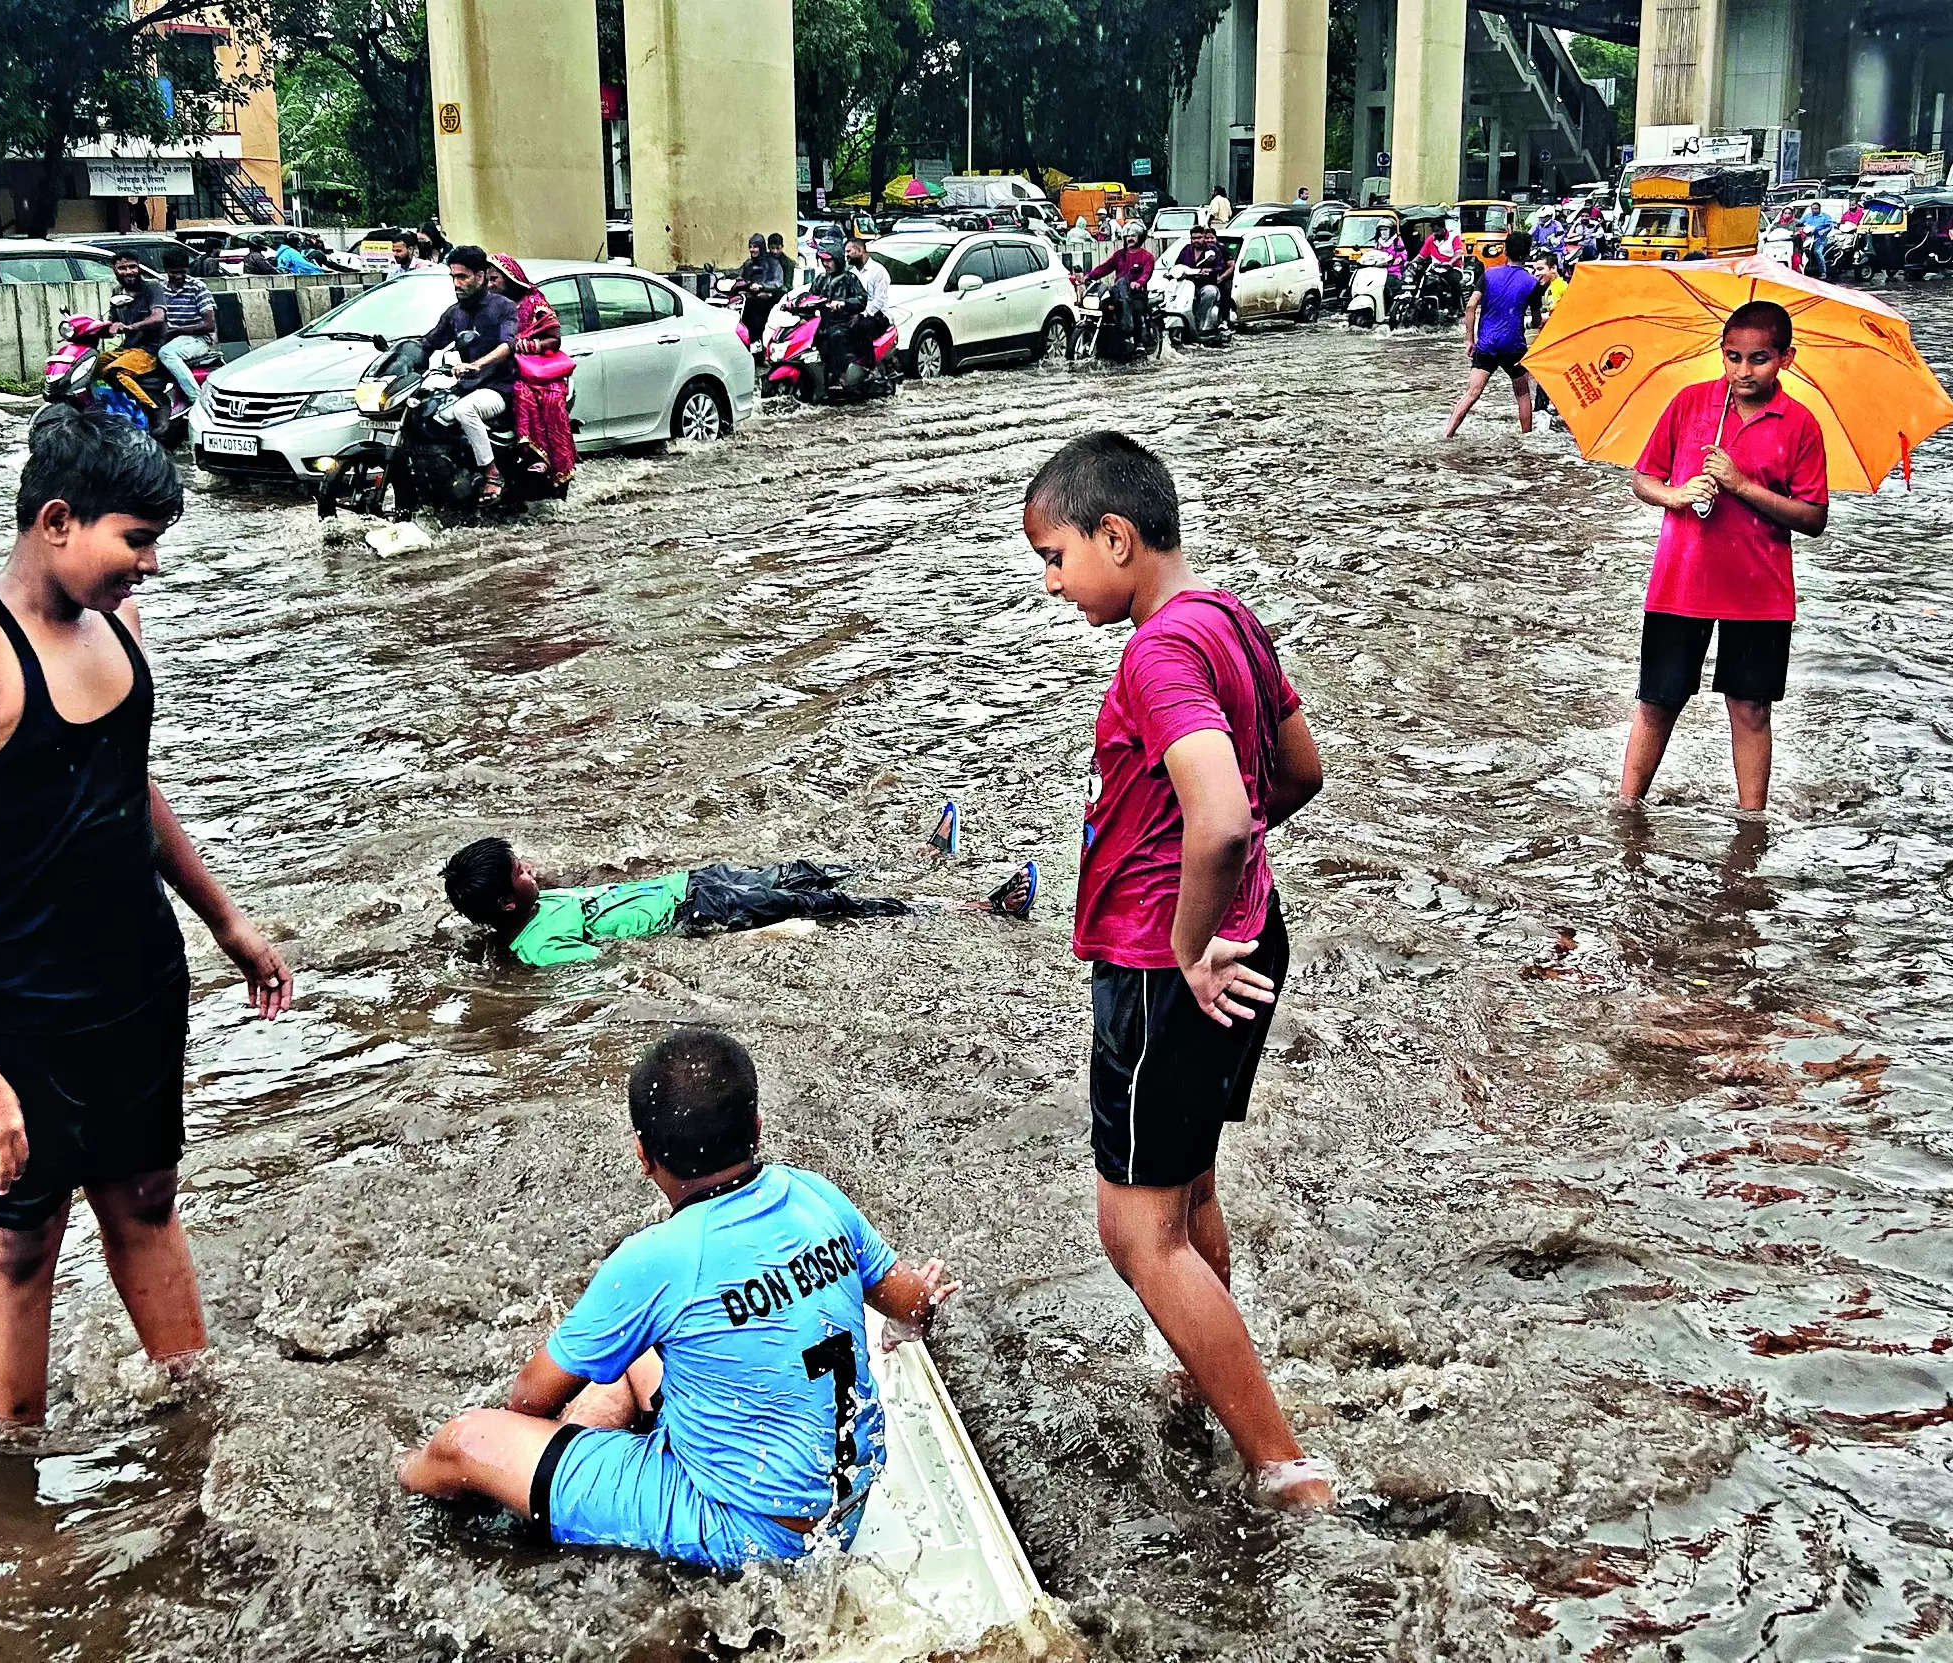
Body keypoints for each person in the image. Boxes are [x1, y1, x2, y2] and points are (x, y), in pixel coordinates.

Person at [0, 405, 292, 1431]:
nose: (148, 567)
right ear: (58, 520)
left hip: (132, 976)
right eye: (134, 541)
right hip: (9, 1005)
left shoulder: (118, 627)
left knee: (144, 1195)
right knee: (18, 1235)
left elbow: (125, 789)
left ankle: (197, 1423)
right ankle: (16, 1478)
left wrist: (224, 919)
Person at [1020, 431, 1332, 1512]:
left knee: (1135, 1232)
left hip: (1170, 969)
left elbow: (1226, 816)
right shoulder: (1231, 619)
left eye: (1056, 557)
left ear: (1118, 535)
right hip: (1250, 937)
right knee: (1188, 1187)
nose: (1053, 584)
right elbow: (1300, 770)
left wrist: (1190, 940)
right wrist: (1229, 902)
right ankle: (1203, 1382)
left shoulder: (1155, 655)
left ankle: (1284, 1468)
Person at [397, 1028, 961, 1567]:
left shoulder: (657, 1258)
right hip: (846, 1498)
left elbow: (528, 1398)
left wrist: (518, 1450)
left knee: (465, 1441)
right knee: (627, 1356)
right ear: (758, 1126)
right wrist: (924, 1304)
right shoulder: (817, 1196)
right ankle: (584, 1454)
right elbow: (911, 1306)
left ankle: (398, 1484)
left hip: (742, 1527)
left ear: (643, 1156)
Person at [1620, 300, 1829, 813]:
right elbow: (1644, 477)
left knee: (1751, 707)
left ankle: (1750, 822)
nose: (1743, 371)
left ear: (1787, 358)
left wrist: (1742, 485)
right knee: (1658, 701)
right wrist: (1674, 495)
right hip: (1681, 580)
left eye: (1758, 358)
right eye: (1732, 357)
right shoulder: (1691, 404)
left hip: (1758, 590)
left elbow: (1812, 517)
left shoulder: (1800, 424)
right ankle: (1625, 810)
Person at [442, 834, 1037, 968]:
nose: (531, 867)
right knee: (820, 908)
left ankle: (920, 858)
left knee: (801, 873)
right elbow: (609, 971)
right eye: (519, 871)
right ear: (503, 907)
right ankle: (970, 910)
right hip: (698, 913)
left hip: (695, 882)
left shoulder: (537, 904)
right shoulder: (538, 945)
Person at [417, 244, 520, 502]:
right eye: (453, 277)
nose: (456, 283)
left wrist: (478, 365)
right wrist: (400, 359)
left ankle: (491, 472)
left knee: (465, 410)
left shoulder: (503, 307)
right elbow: (429, 342)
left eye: (462, 277)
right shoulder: (455, 313)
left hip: (500, 387)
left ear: (481, 275)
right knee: (426, 411)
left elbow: (507, 345)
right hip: (467, 387)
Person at [1442, 228, 1543, 439]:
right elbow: (1535, 320)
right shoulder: (1532, 283)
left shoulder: (1488, 274)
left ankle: (1447, 433)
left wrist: (1469, 340)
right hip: (1513, 346)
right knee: (1523, 393)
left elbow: (1470, 307)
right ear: (1527, 254)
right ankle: (1527, 439)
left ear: (1505, 251)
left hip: (1486, 344)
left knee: (1471, 393)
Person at [491, 253, 577, 488]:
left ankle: (539, 457)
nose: (490, 285)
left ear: (509, 278)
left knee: (525, 393)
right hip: (501, 367)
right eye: (487, 280)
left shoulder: (534, 302)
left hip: (536, 371)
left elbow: (554, 339)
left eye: (494, 279)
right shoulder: (493, 305)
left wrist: (529, 345)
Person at [791, 241, 869, 385]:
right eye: (823, 260)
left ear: (838, 260)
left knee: (835, 337)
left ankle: (841, 375)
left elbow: (862, 299)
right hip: (821, 324)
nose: (825, 264)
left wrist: (844, 303)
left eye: (829, 260)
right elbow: (810, 298)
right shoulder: (820, 279)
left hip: (843, 324)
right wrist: (795, 307)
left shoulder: (849, 279)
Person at [153, 250, 218, 413]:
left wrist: (176, 331)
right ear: (166, 270)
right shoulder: (160, 288)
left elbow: (209, 324)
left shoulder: (197, 287)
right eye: (174, 273)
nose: (179, 276)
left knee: (167, 354)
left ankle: (196, 400)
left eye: (183, 272)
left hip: (199, 339)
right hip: (173, 338)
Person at [1085, 224, 1157, 352]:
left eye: (1133, 236)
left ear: (1140, 237)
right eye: (1128, 236)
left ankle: (1139, 341)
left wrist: (1138, 283)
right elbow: (1105, 267)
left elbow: (1146, 273)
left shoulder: (1147, 256)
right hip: (1118, 292)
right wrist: (1089, 276)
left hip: (1137, 293)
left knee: (1136, 309)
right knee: (1103, 307)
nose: (1130, 238)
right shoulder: (1119, 255)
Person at [1173, 222, 1236, 329]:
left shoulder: (1213, 250)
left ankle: (1200, 322)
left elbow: (1220, 266)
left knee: (1209, 292)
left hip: (1207, 283)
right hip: (1189, 284)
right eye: (1194, 238)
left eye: (1199, 237)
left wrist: (1209, 271)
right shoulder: (1186, 249)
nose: (1196, 240)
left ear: (1203, 237)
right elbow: (1177, 265)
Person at [733, 231, 785, 342]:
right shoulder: (748, 264)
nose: (752, 250)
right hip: (748, 300)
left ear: (761, 247)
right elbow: (740, 277)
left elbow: (778, 282)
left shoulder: (772, 262)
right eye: (750, 247)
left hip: (766, 302)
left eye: (755, 247)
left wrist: (761, 286)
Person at [1800, 201, 1837, 277]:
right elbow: (1800, 223)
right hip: (1808, 237)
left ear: (1819, 209)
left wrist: (1823, 231)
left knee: (1817, 252)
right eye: (1813, 209)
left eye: (1816, 209)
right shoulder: (1808, 216)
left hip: (1820, 238)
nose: (1814, 210)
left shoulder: (1825, 216)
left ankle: (1823, 272)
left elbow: (1830, 226)